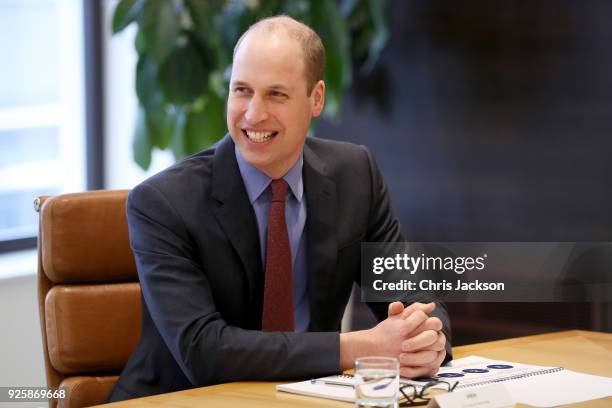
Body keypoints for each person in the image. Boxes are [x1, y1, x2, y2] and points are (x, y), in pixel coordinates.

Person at [109, 15, 451, 402]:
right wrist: (362, 347)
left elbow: (415, 300)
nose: (253, 114)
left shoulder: (356, 175)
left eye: (276, 94)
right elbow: (204, 351)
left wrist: (426, 338)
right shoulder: (162, 204)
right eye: (242, 90)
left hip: (307, 397)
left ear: (316, 98)